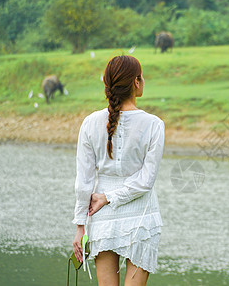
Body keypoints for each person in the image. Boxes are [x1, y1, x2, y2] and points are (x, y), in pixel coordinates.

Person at [72, 55, 165, 286]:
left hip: (101, 217)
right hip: (141, 216)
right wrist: (108, 198)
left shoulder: (90, 123)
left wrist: (80, 226)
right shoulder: (154, 124)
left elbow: (83, 182)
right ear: (137, 82)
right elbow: (146, 181)